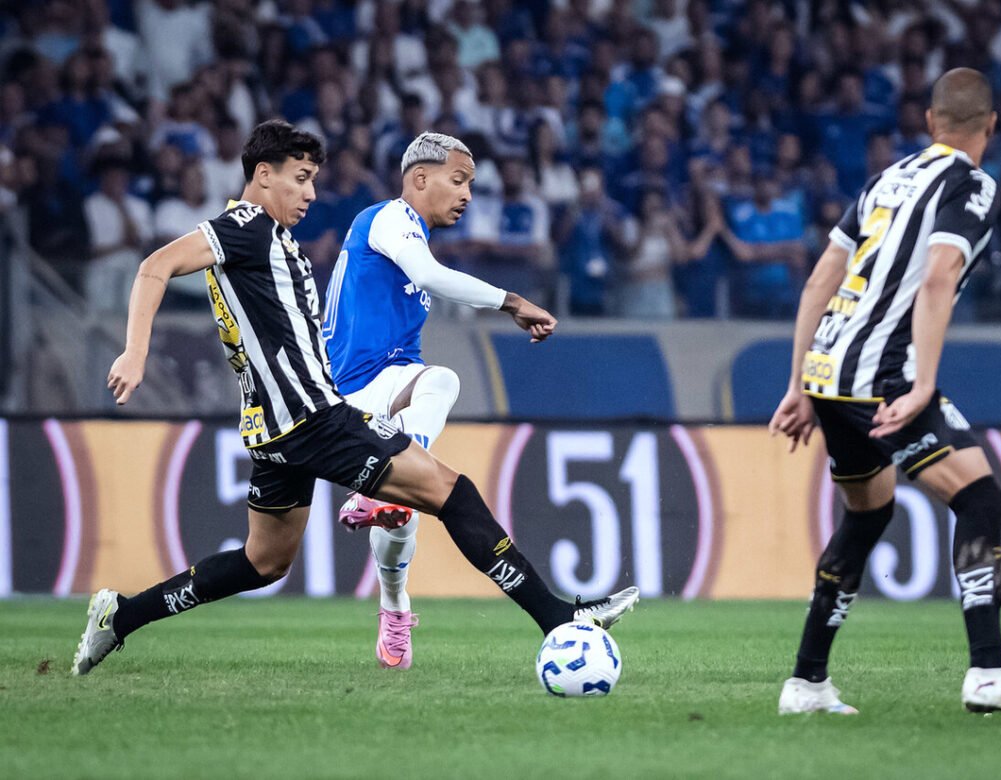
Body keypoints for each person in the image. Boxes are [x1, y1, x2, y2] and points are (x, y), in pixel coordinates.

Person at [72, 120, 639, 676]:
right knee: (453, 492)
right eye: (300, 178)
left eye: (314, 178)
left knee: (264, 562)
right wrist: (135, 352)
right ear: (263, 175)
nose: (311, 192)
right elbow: (155, 266)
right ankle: (559, 618)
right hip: (313, 417)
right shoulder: (245, 225)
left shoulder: (271, 240)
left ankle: (120, 616)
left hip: (272, 428)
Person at [769, 69, 1001, 717]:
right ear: (990, 126)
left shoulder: (888, 177)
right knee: (982, 502)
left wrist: (798, 384)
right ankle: (989, 672)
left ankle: (806, 684)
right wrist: (924, 383)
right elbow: (938, 279)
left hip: (829, 374)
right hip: (885, 377)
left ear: (931, 122)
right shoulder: (974, 184)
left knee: (869, 514)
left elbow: (823, 273)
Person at [321, 131, 572, 669]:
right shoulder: (387, 219)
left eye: (471, 185)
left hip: (386, 382)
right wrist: (512, 302)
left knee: (404, 501)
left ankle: (394, 608)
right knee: (441, 387)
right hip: (345, 393)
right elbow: (430, 275)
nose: (466, 195)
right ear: (419, 178)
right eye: (458, 180)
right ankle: (386, 511)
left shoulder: (412, 238)